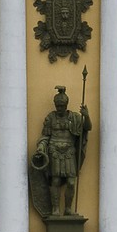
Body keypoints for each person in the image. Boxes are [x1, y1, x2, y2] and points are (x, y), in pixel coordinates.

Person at [33, 86, 91, 216]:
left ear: (66, 105)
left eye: (61, 106)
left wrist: (86, 117)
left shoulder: (75, 118)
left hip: (69, 151)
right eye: (57, 106)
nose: (59, 108)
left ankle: (68, 209)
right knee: (56, 181)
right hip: (54, 151)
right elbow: (45, 136)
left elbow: (87, 128)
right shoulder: (50, 118)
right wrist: (41, 147)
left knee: (71, 182)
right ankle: (55, 208)